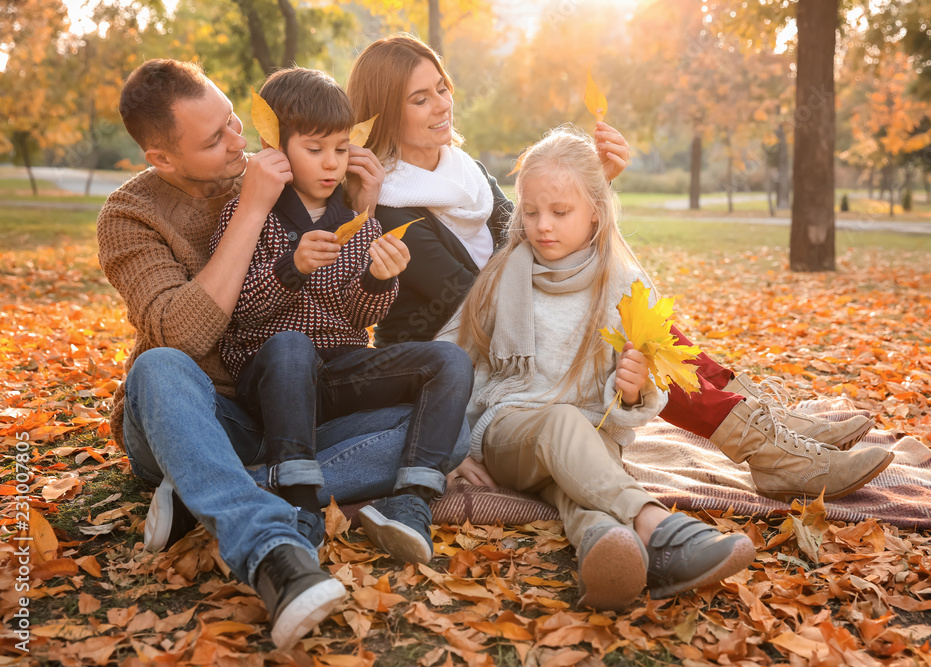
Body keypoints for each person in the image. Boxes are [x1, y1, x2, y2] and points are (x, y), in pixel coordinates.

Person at [346, 34, 894, 501]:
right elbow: (474, 293)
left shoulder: (464, 173)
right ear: (386, 113)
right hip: (472, 358)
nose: (442, 104)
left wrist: (593, 184)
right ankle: (763, 444)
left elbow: (536, 237)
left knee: (640, 317)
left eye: (442, 87)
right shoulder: (388, 201)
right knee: (624, 321)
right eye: (421, 99)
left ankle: (760, 423)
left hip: (517, 319)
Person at [95, 59, 456, 651]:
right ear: (163, 158)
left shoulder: (292, 175)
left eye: (234, 121)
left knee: (452, 433)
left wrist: (359, 205)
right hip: (195, 415)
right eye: (215, 140)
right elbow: (180, 337)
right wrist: (253, 209)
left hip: (292, 412)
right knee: (158, 368)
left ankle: (209, 489)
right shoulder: (130, 216)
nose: (239, 143)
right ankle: (272, 552)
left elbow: (345, 300)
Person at [437, 127, 756, 611]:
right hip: (511, 432)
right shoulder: (504, 274)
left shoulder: (625, 284)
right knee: (562, 422)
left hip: (595, 435)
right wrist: (451, 445)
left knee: (580, 490)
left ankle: (607, 549)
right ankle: (657, 524)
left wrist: (631, 393)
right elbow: (446, 359)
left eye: (560, 212)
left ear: (596, 211)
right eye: (531, 211)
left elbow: (638, 402)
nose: (543, 225)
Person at [209, 66, 473, 564]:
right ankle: (300, 503)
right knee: (292, 345)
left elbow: (360, 318)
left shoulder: (354, 220)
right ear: (277, 147)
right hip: (273, 378)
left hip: (340, 370)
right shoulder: (248, 214)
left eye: (340, 148)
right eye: (315, 150)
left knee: (449, 363)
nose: (331, 164)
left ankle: (411, 501)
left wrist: (378, 278)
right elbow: (238, 312)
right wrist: (292, 267)